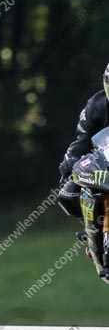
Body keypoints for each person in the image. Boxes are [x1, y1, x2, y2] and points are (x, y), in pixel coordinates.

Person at [58, 64, 109, 217]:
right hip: (104, 169)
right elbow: (81, 143)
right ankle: (94, 231)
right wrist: (70, 161)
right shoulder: (95, 107)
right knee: (69, 192)